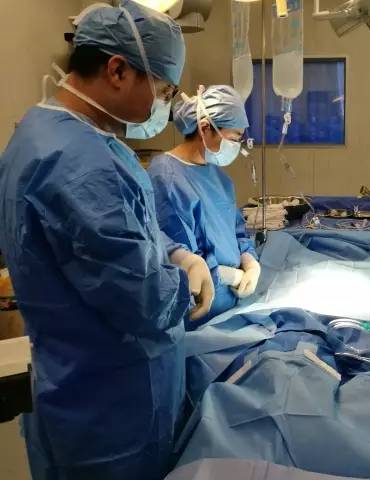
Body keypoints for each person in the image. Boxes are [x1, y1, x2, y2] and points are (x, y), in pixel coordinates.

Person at [0, 2, 214, 479]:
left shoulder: (49, 134)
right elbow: (142, 298)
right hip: (111, 418)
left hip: (78, 391)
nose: (163, 107)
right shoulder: (77, 161)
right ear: (118, 70)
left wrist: (176, 253)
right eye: (163, 90)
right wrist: (185, 285)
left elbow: (118, 234)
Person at [148, 85, 261, 329]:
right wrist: (229, 276)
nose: (237, 146)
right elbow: (177, 255)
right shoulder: (166, 175)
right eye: (234, 139)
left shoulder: (220, 178)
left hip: (230, 306)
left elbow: (236, 232)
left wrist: (250, 262)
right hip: (198, 311)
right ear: (205, 128)